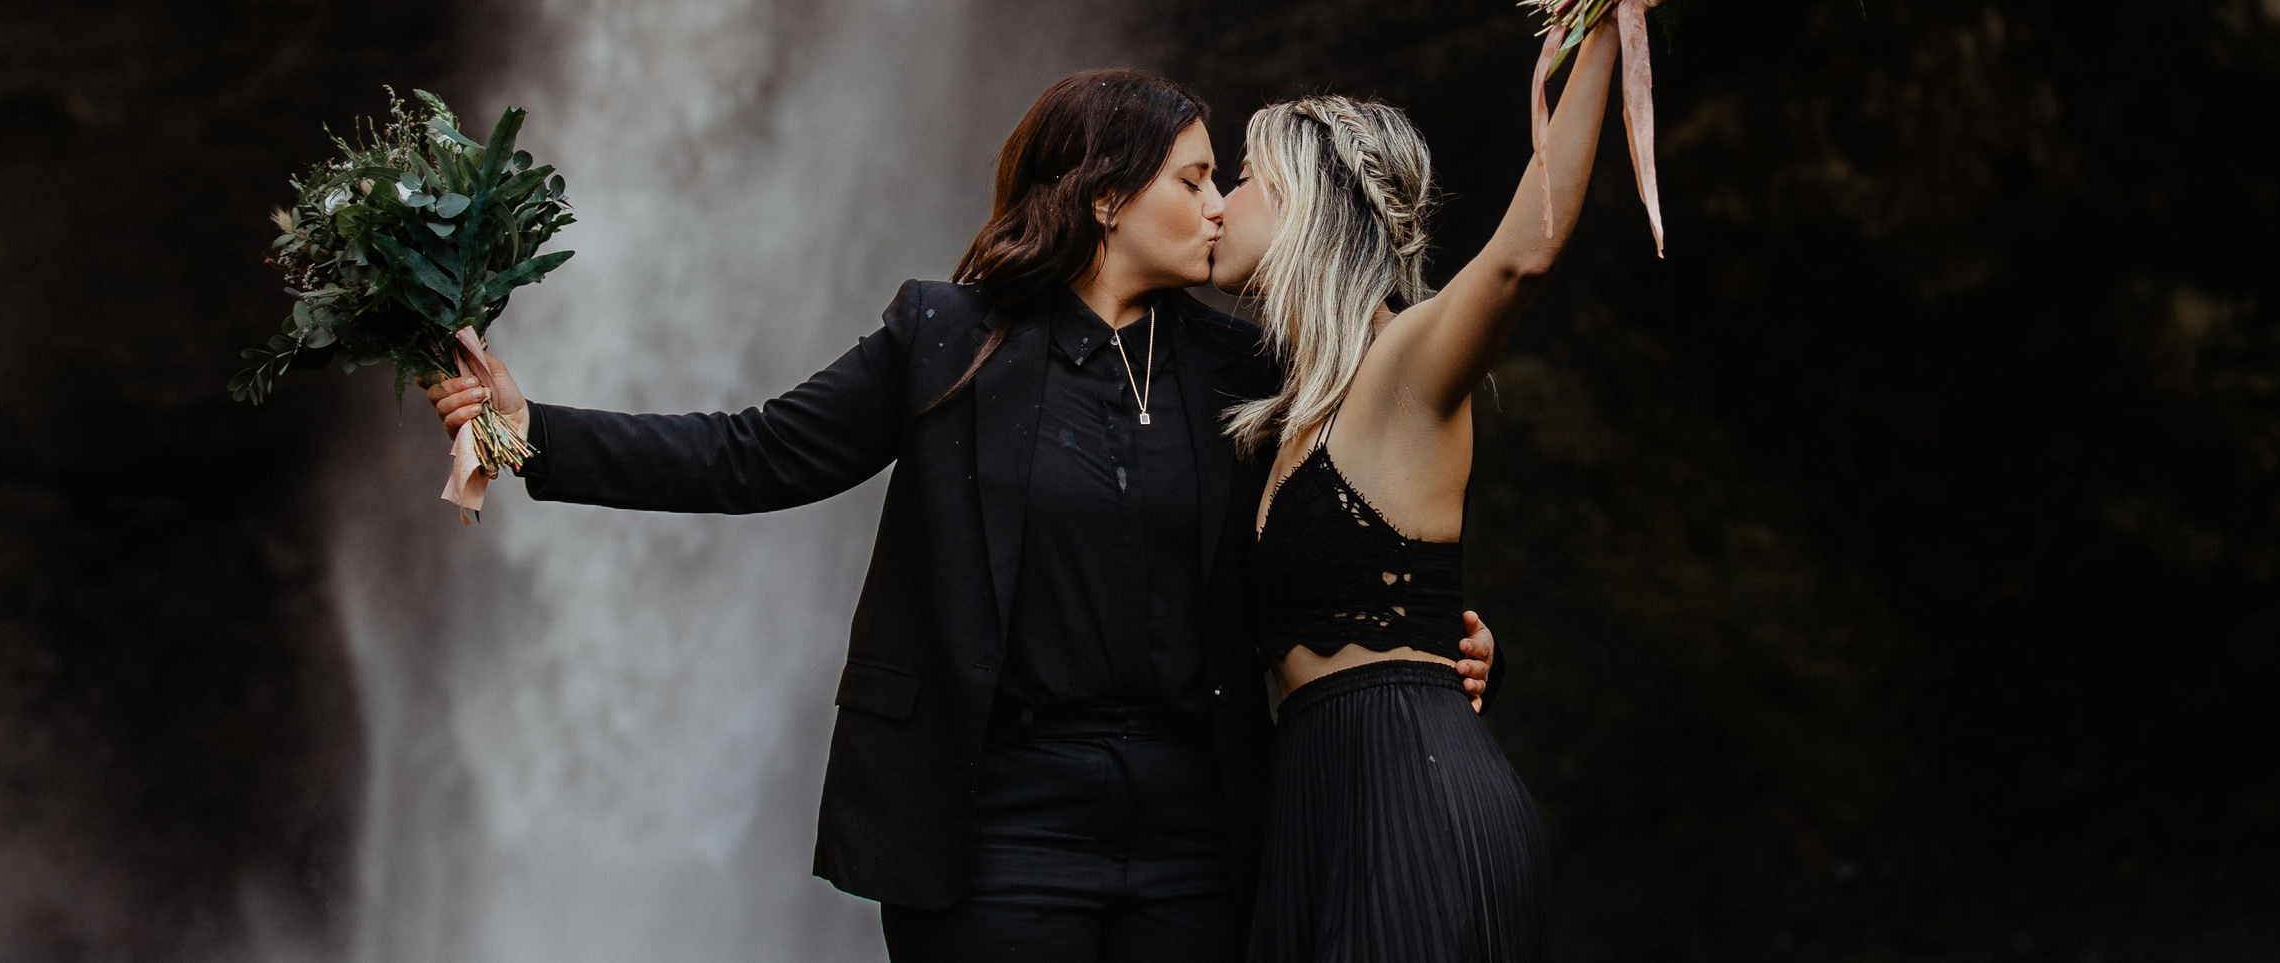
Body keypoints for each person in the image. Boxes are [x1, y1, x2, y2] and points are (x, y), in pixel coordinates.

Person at [425, 69, 1499, 962]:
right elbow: (750, 454)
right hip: (999, 814)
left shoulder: (1242, 368)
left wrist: (1414, 639)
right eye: (1195, 178)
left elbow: (1354, 497)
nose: (1222, 203)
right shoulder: (947, 338)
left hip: (1198, 821)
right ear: (1107, 198)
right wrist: (531, 432)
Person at [1208, 0, 1710, 963]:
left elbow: (1526, 251)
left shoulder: (1403, 366)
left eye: (1240, 178)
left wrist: (1611, 20)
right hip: (1315, 810)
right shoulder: (1280, 412)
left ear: (1305, 203)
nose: (1215, 203)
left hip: (1408, 800)